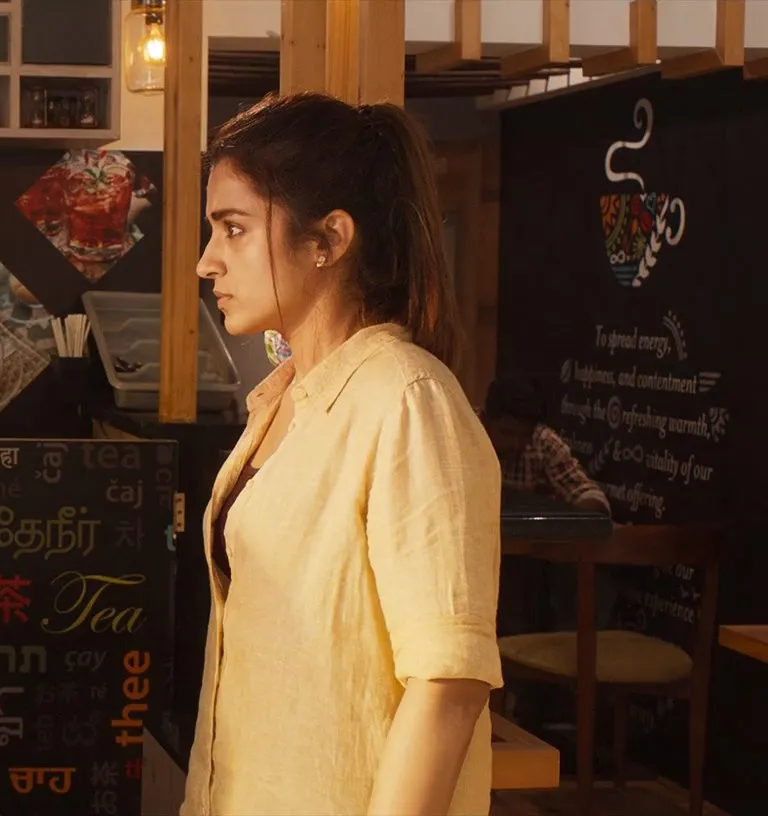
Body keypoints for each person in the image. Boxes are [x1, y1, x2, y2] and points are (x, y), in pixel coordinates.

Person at [182, 92, 502, 816]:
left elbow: (448, 682)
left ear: (327, 238)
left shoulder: (406, 399)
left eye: (234, 229)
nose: (207, 261)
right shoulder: (282, 400)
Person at [482, 376, 610, 513]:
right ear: (485, 421)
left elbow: (586, 492)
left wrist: (584, 515)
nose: (516, 444)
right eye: (507, 433)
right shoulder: (466, 436)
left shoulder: (543, 443)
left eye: (525, 435)